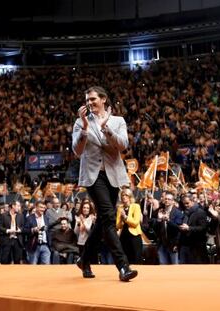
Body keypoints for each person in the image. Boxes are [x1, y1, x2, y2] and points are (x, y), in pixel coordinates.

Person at [72, 86, 137, 282]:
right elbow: (77, 150)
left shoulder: (118, 121)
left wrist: (106, 128)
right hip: (93, 177)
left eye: (93, 99)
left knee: (103, 221)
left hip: (113, 176)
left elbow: (123, 145)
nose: (89, 103)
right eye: (87, 100)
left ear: (103, 99)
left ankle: (84, 260)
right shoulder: (79, 122)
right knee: (108, 216)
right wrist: (84, 127)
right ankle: (123, 266)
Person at [116, 188, 143, 264]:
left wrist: (126, 218)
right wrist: (121, 219)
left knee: (136, 259)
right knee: (125, 259)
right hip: (124, 235)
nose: (124, 197)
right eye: (122, 195)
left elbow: (135, 223)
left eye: (126, 195)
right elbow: (118, 226)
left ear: (130, 197)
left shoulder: (136, 206)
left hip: (135, 236)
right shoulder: (120, 208)